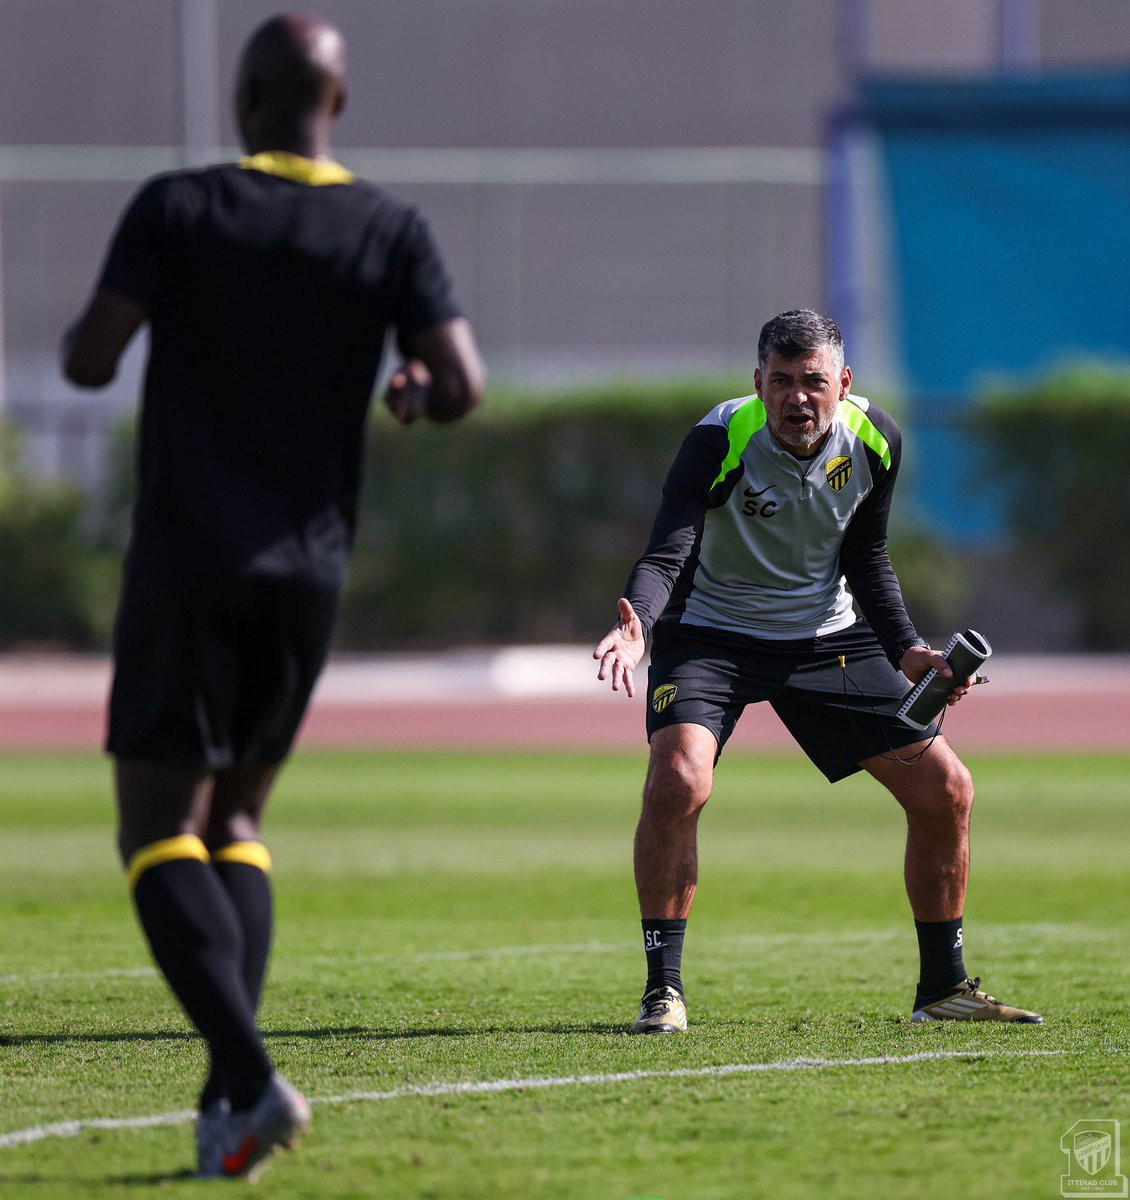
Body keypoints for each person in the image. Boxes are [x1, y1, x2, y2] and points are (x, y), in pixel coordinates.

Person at [61, 12, 486, 1179]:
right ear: (336, 103)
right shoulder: (389, 227)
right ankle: (227, 1105)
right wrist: (408, 388)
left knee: (156, 827)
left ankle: (249, 1076)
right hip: (309, 572)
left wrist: (127, 315)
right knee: (236, 824)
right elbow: (460, 382)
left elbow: (88, 360)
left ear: (244, 99)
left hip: (187, 559)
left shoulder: (180, 207)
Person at [593, 309, 1040, 1034]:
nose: (797, 398)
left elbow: (866, 556)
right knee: (679, 780)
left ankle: (943, 990)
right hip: (710, 633)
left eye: (813, 381)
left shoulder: (876, 439)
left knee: (947, 789)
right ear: (758, 384)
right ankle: (662, 991)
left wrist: (908, 650)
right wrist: (636, 620)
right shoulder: (718, 439)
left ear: (844, 382)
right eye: (781, 381)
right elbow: (668, 549)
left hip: (827, 638)